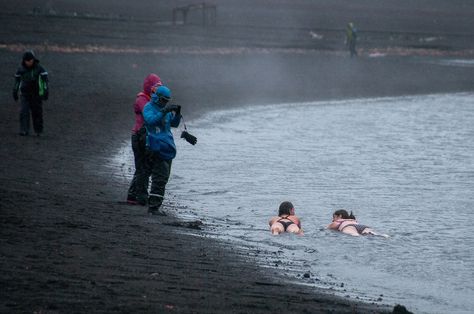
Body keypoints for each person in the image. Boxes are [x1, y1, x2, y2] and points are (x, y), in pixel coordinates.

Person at [142, 85, 181, 215]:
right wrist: (163, 111)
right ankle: (153, 207)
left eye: (167, 100)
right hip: (155, 146)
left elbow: (173, 124)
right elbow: (150, 121)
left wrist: (177, 114)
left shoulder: (165, 110)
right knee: (159, 177)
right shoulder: (149, 107)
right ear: (157, 97)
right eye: (163, 100)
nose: (165, 102)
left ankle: (155, 205)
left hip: (167, 147)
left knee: (164, 178)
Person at [126, 74, 163, 205]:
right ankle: (139, 196)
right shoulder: (141, 99)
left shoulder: (150, 99)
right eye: (155, 87)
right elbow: (149, 115)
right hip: (139, 135)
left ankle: (133, 195)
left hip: (147, 136)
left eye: (159, 87)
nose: (157, 90)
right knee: (142, 167)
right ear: (149, 87)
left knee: (144, 167)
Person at [13, 50, 49, 136]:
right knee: (23, 112)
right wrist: (15, 91)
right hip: (25, 94)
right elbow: (17, 82)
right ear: (24, 60)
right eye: (27, 61)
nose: (29, 62)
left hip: (36, 94)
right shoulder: (20, 69)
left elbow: (45, 82)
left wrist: (45, 92)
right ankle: (24, 130)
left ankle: (38, 131)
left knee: (37, 112)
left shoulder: (40, 69)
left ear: (33, 59)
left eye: (31, 60)